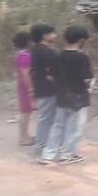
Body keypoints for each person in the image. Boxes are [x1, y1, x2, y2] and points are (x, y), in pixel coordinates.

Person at [39, 26, 92, 165]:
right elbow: (86, 79)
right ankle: (67, 155)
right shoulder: (82, 57)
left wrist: (61, 86)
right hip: (79, 97)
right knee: (74, 128)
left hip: (61, 96)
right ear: (81, 40)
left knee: (58, 126)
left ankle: (48, 155)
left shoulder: (57, 56)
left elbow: (50, 76)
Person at [29, 24, 59, 159]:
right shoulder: (48, 52)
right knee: (47, 119)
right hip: (49, 89)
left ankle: (42, 146)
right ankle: (42, 147)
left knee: (44, 118)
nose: (54, 36)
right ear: (44, 36)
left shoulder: (33, 50)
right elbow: (51, 73)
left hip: (39, 87)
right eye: (52, 33)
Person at [13, 32, 35, 146]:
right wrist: (31, 89)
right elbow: (26, 74)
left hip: (22, 84)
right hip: (25, 86)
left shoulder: (20, 54)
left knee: (25, 112)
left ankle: (24, 136)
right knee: (25, 112)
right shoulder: (25, 56)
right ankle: (23, 138)